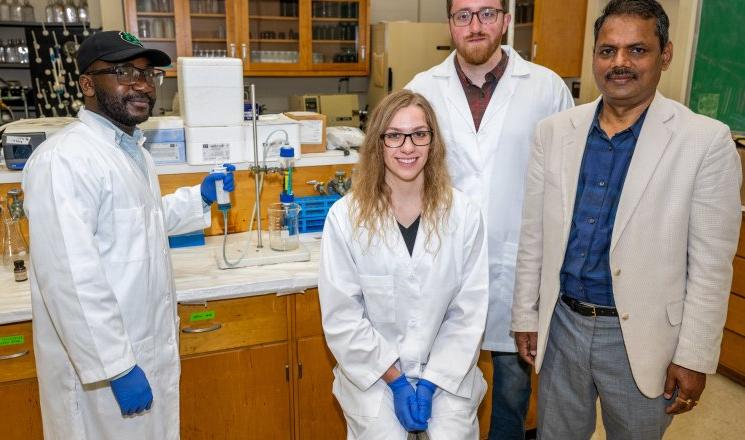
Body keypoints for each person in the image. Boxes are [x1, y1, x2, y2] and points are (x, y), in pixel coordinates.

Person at [511, 0, 742, 438]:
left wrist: (693, 357)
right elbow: (534, 235)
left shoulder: (705, 143)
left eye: (637, 50)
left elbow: (712, 267)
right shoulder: (556, 132)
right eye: (607, 50)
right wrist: (526, 313)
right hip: (563, 326)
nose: (619, 63)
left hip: (642, 338)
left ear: (665, 55)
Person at [22, 31, 232, 439]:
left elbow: (138, 224)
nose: (141, 84)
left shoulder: (129, 149)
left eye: (148, 73)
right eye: (122, 72)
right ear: (86, 84)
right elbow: (70, 275)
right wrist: (115, 365)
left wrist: (197, 199)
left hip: (140, 349)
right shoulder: (64, 159)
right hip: (101, 371)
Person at [406, 1, 574, 437]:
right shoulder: (422, 88)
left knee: (512, 389)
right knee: (439, 384)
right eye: (463, 15)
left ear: (505, 19)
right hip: (442, 261)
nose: (475, 25)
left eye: (486, 13)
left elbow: (565, 183)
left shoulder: (546, 88)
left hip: (515, 266)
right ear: (450, 24)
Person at [318, 89, 489, 439]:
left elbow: (468, 312)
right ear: (378, 144)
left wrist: (429, 382)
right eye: (394, 136)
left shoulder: (464, 215)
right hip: (376, 376)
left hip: (446, 373)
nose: (407, 147)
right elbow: (343, 317)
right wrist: (395, 380)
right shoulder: (345, 217)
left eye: (419, 135)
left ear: (432, 142)